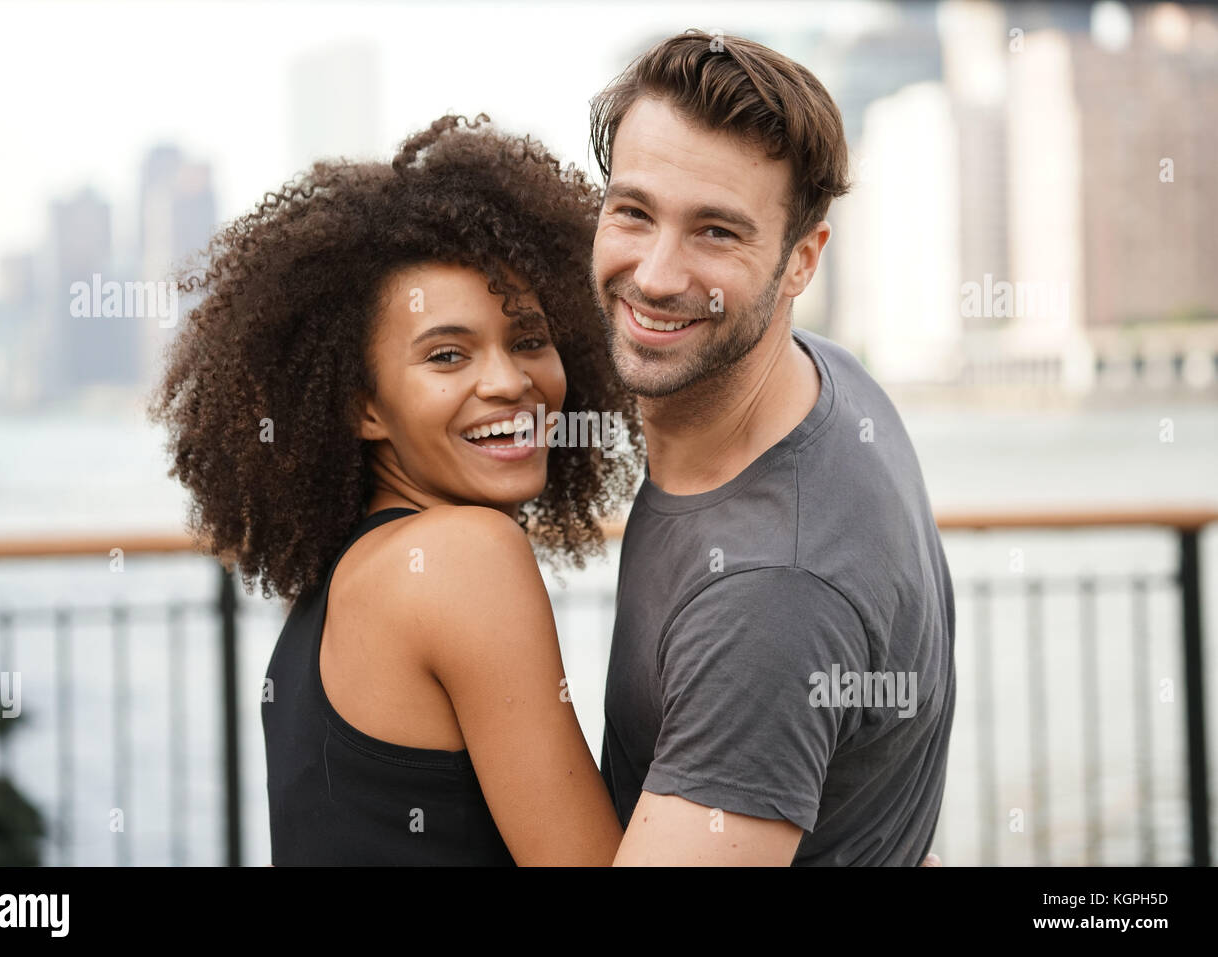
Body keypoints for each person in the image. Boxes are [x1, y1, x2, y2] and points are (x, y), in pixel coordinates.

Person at [148, 114, 644, 865]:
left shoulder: (336, 590)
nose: (510, 381)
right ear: (362, 405)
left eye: (530, 340)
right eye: (448, 354)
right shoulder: (465, 558)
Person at [588, 30, 957, 865]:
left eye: (716, 232)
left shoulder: (770, 601)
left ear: (801, 262)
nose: (653, 273)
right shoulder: (829, 376)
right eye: (634, 211)